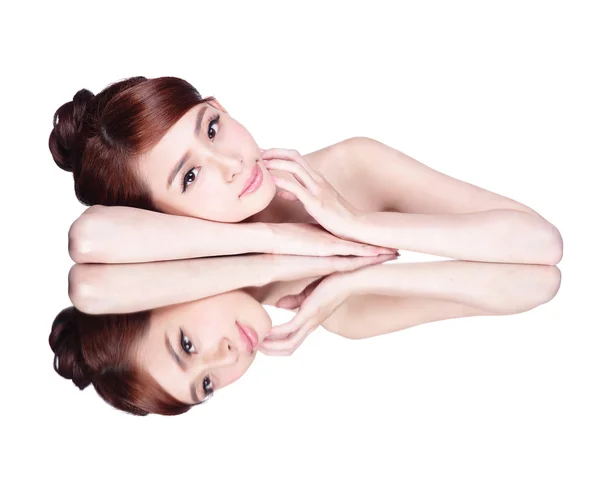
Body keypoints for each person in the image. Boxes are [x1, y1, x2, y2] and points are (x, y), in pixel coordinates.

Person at [49, 76, 562, 266]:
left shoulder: (352, 164)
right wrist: (276, 237)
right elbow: (90, 238)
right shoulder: (216, 318)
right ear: (157, 216)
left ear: (221, 106)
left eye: (211, 128)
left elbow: (541, 242)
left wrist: (354, 223)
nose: (230, 164)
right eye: (188, 177)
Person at [51, 253, 560, 416]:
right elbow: (539, 283)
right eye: (206, 386)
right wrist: (359, 279)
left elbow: (543, 246)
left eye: (188, 346)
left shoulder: (308, 177)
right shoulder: (349, 318)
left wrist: (283, 247)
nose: (224, 359)